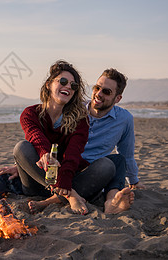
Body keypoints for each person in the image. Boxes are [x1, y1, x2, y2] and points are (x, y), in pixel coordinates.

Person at [0, 60, 117, 215]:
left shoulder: (80, 120)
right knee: (21, 147)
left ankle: (53, 199)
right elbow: (36, 138)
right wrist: (46, 155)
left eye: (73, 86)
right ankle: (70, 196)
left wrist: (65, 181)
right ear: (48, 84)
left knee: (107, 165)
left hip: (66, 180)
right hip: (37, 181)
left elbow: (73, 154)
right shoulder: (30, 114)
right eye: (63, 81)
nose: (68, 86)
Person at [29, 68, 142, 214]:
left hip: (92, 173)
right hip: (62, 169)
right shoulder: (74, 109)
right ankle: (57, 199)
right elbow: (47, 138)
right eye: (97, 88)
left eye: (106, 92)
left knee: (118, 161)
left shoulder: (124, 119)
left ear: (117, 98)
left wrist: (134, 181)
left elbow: (127, 155)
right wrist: (21, 164)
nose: (98, 94)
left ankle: (111, 202)